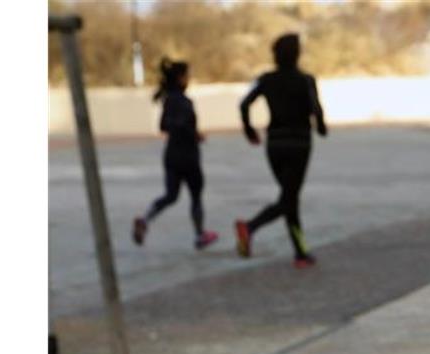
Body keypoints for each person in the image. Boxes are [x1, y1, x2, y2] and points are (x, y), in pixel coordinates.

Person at [235, 34, 327, 268]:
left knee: (289, 197)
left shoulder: (266, 79)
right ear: (297, 54)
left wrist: (249, 130)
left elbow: (244, 104)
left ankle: (301, 253)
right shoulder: (306, 79)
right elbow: (315, 108)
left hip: (275, 144)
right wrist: (322, 127)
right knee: (289, 198)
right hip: (299, 143)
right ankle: (250, 227)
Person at [133, 58, 218, 250]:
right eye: (187, 76)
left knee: (171, 195)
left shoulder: (168, 100)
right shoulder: (185, 102)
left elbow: (163, 126)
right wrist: (195, 135)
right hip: (188, 155)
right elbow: (182, 125)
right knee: (196, 196)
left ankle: (146, 219)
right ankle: (200, 235)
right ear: (181, 78)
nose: (189, 79)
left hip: (171, 155)